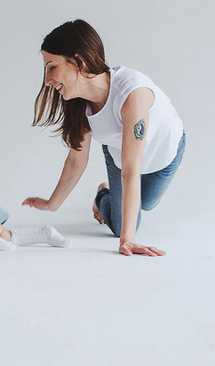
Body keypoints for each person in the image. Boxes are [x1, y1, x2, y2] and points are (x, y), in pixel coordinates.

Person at [23, 19, 185, 257]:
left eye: (52, 67)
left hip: (164, 153)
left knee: (148, 202)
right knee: (120, 226)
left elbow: (132, 170)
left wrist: (128, 241)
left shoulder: (131, 93)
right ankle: (104, 194)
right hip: (119, 153)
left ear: (78, 61)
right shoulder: (80, 104)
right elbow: (77, 160)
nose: (47, 80)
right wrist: (52, 204)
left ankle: (109, 192)